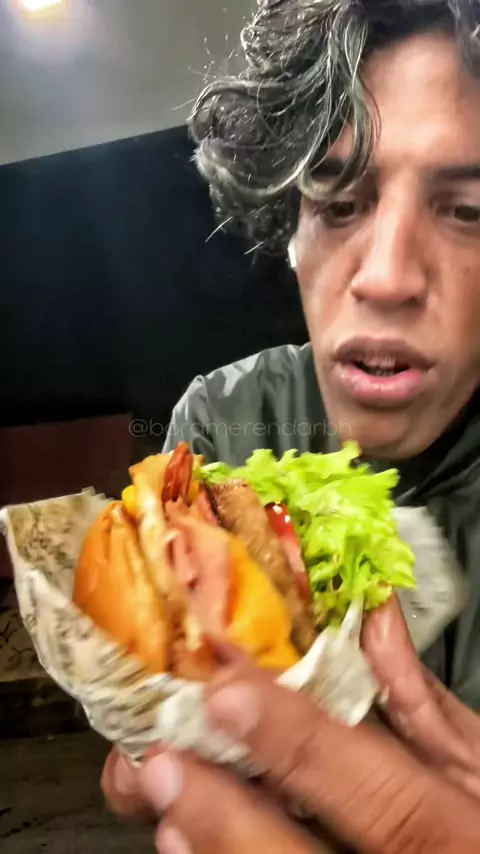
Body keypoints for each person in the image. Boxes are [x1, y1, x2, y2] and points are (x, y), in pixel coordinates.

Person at [102, 0, 480, 850]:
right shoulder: (223, 423)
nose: (385, 278)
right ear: (291, 229)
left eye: (469, 211)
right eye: (339, 203)